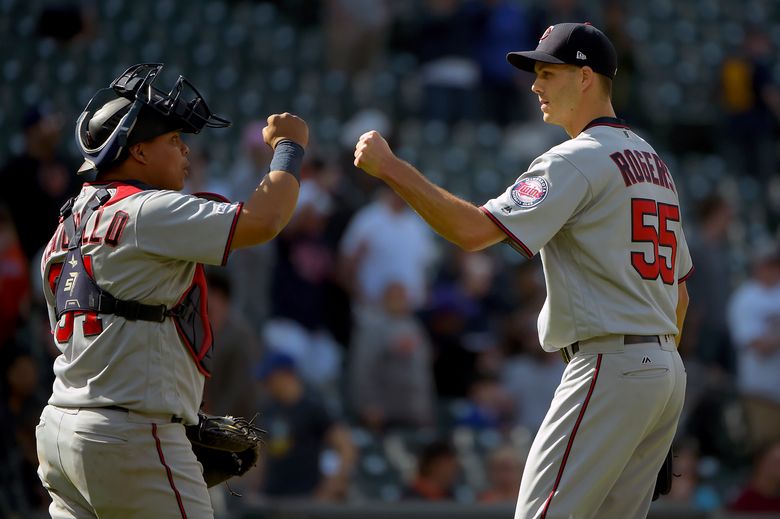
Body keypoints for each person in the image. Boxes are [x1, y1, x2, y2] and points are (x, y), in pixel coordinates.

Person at [354, 22, 692, 519]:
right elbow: (681, 296)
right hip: (662, 371)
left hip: (610, 363)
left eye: (548, 72)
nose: (535, 84)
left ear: (584, 77)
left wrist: (392, 169)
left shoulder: (577, 158)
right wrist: (651, 390)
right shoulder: (653, 163)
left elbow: (473, 232)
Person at [35, 63, 308, 519]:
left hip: (62, 430)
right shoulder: (146, 210)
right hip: (132, 434)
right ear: (138, 152)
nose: (185, 151)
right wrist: (289, 146)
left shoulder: (67, 223)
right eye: (173, 141)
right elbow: (265, 219)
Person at [256, 352, 356, 501]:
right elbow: (262, 453)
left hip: (304, 497)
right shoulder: (270, 409)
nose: (267, 385)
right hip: (272, 497)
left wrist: (332, 485)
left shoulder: (312, 407)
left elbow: (346, 447)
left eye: (270, 379)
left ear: (286, 375)